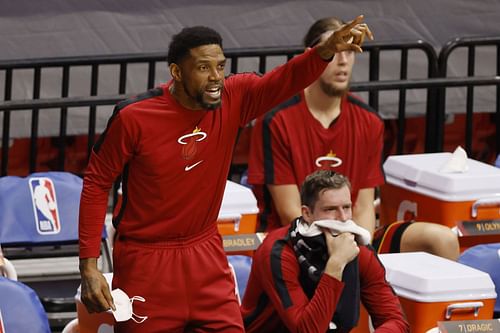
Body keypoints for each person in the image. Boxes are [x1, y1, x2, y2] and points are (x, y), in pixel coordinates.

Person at [78, 18, 373, 332]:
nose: (216, 77)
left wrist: (325, 50)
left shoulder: (235, 97)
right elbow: (96, 183)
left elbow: (285, 79)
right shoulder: (134, 117)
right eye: (204, 68)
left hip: (205, 253)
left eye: (220, 66)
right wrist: (89, 266)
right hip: (146, 261)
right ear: (177, 72)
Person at [247, 16, 459, 261]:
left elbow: (364, 206)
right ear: (312, 55)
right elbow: (290, 212)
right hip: (296, 240)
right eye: (335, 51)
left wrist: (363, 253)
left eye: (350, 51)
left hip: (352, 236)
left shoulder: (369, 121)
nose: (343, 61)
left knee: (441, 239)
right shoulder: (276, 120)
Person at [241, 170, 410, 332]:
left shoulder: (357, 249)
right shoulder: (278, 252)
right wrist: (336, 264)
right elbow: (307, 330)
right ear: (306, 213)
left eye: (346, 207)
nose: (343, 218)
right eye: (330, 209)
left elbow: (395, 321)